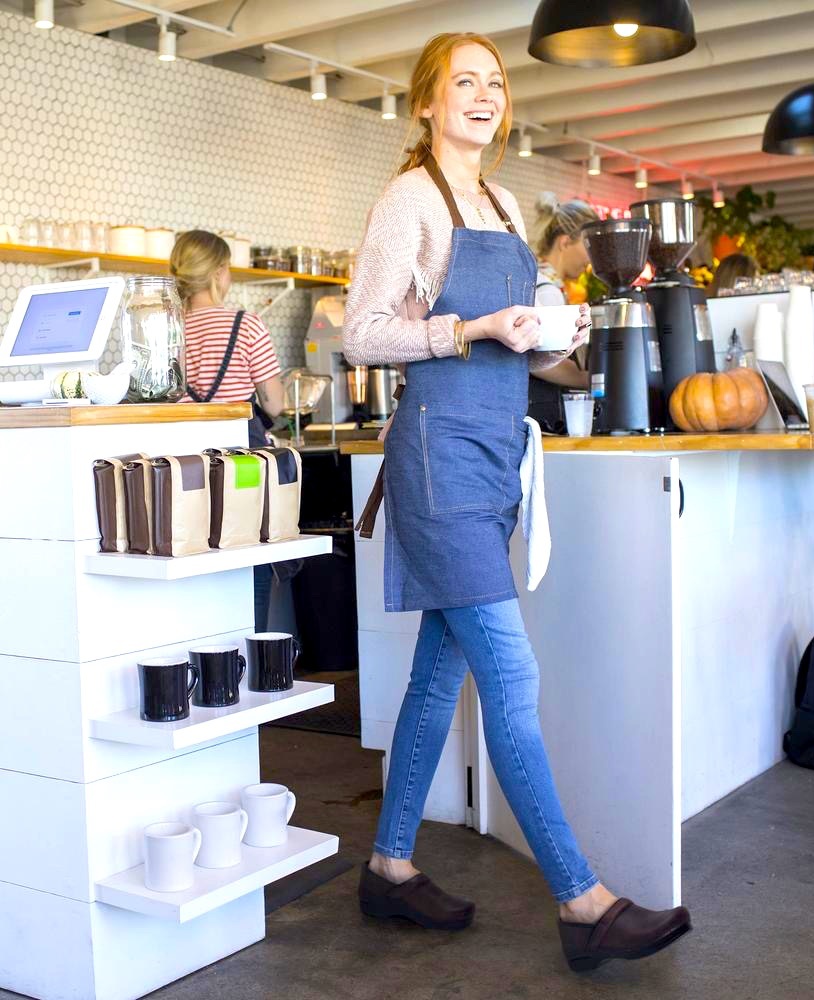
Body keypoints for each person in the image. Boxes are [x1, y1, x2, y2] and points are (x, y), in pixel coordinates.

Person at [343, 31, 691, 971]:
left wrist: (556, 329)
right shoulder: (408, 198)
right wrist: (477, 325)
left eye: (495, 82)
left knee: (434, 677)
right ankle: (583, 903)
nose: (485, 95)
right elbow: (363, 334)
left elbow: (521, 345)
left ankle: (388, 865)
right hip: (436, 461)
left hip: (494, 456)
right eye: (465, 82)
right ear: (426, 101)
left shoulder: (500, 199)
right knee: (512, 677)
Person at [170, 229, 285, 630]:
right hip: (242, 460)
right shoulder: (246, 324)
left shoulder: (170, 330)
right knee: (247, 547)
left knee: (197, 552)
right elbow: (274, 402)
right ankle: (251, 651)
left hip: (186, 463)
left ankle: (207, 652)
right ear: (220, 272)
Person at [528, 193, 599, 432]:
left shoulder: (537, 278)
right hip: (542, 413)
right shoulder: (547, 291)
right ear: (565, 241)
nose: (590, 259)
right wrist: (588, 379)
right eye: (587, 245)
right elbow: (540, 359)